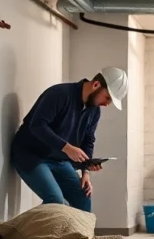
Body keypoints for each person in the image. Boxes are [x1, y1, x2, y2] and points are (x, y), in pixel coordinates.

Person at [10, 67, 129, 213]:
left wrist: (86, 170)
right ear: (96, 85)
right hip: (31, 155)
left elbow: (88, 141)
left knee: (83, 196)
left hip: (59, 160)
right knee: (55, 200)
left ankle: (81, 237)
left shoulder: (94, 111)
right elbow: (37, 125)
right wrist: (67, 148)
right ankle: (20, 231)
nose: (107, 104)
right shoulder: (59, 94)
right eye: (108, 98)